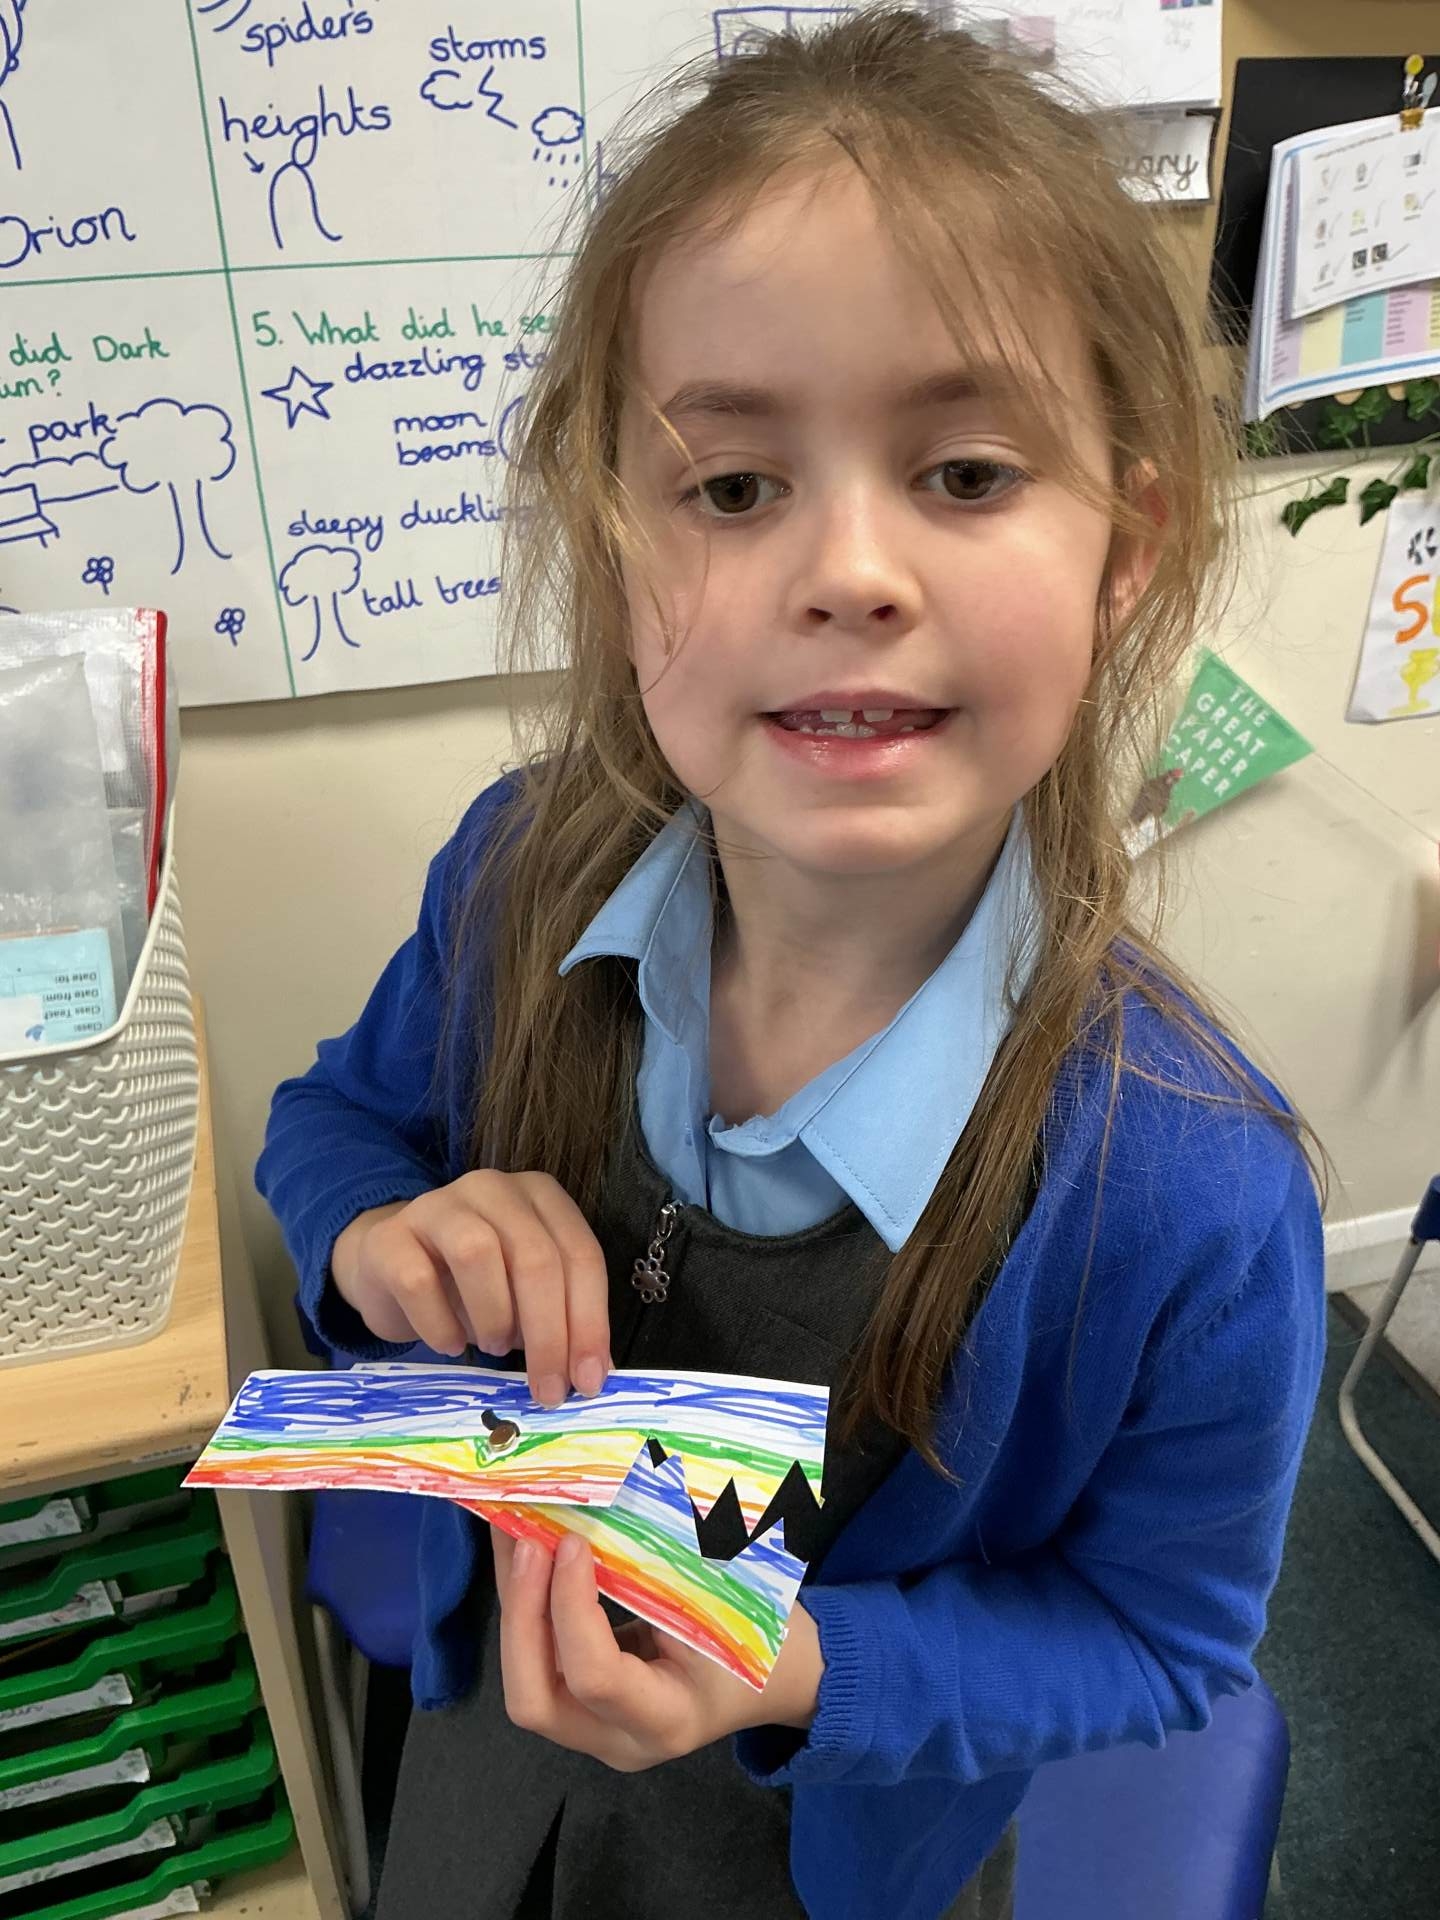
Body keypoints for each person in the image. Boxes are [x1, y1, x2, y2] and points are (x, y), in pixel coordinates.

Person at [256, 11, 1328, 1917]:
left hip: (831, 1853)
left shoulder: (1192, 1195)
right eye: (734, 487)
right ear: (619, 552)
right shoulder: (515, 884)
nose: (850, 571)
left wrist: (806, 1663)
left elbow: (1159, 1639)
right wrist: (374, 1234)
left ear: (1126, 548)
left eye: (967, 473)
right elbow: (332, 1119)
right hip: (484, 1769)